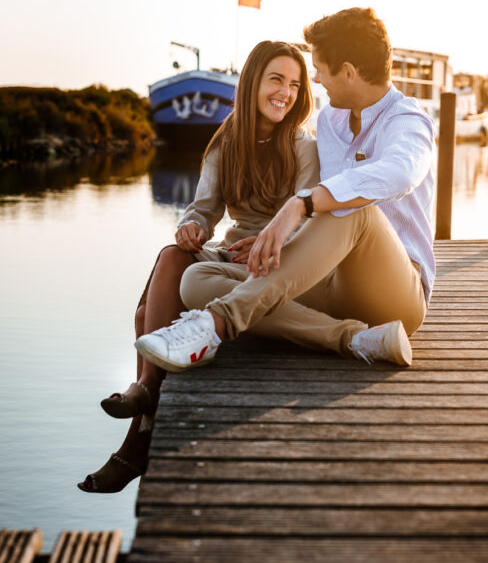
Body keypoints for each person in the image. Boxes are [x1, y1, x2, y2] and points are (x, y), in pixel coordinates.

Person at [135, 7, 435, 375]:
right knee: (197, 281)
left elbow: (402, 173)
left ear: (348, 72)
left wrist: (301, 204)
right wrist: (272, 237)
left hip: (394, 293)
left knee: (352, 207)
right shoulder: (331, 120)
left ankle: (215, 324)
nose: (316, 79)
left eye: (320, 69)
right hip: (329, 281)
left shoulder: (408, 121)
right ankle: (354, 338)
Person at [77, 40, 319, 492]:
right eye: (276, 80)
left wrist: (273, 241)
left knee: (145, 314)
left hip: (278, 265)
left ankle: (135, 442)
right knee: (172, 256)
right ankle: (148, 392)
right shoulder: (226, 141)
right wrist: (191, 227)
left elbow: (311, 220)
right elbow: (203, 209)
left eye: (294, 84)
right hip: (229, 257)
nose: (285, 92)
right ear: (251, 84)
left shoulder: (305, 147)